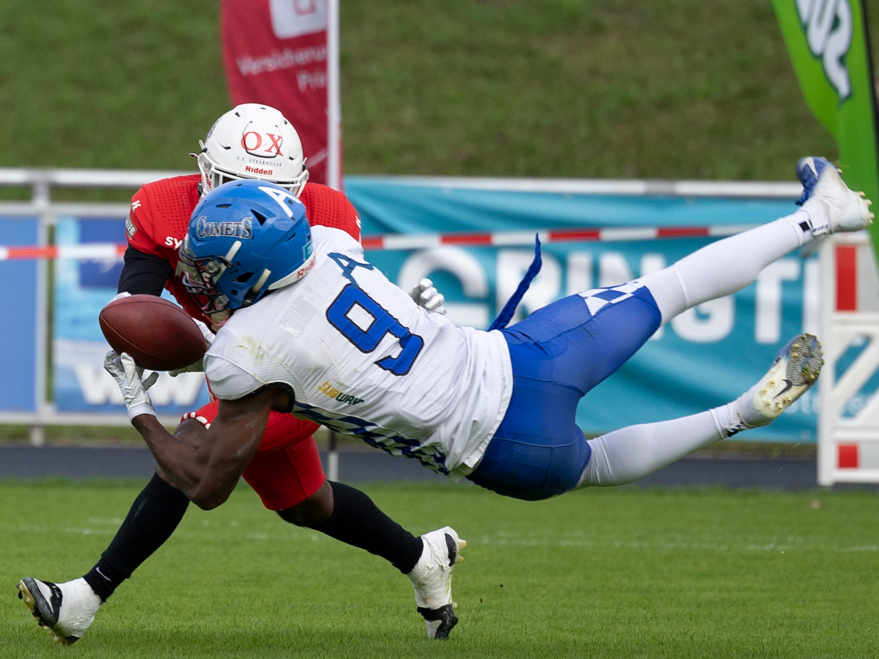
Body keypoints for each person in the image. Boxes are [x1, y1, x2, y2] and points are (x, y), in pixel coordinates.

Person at [100, 156, 867, 633]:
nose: (195, 275)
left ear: (248, 268)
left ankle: (733, 414)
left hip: (504, 454)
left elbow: (205, 485)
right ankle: (814, 216)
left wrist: (141, 409)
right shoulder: (328, 242)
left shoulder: (244, 354)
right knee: (669, 288)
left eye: (207, 264)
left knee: (595, 464)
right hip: (518, 359)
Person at [18, 104, 464, 645]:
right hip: (236, 369)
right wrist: (145, 341)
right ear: (205, 173)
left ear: (298, 189)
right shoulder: (164, 206)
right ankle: (423, 557)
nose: (250, 204)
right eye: (234, 186)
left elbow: (336, 313)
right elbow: (136, 302)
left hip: (300, 377)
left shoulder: (326, 213)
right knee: (305, 502)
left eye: (270, 192)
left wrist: (413, 319)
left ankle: (84, 598)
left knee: (195, 448)